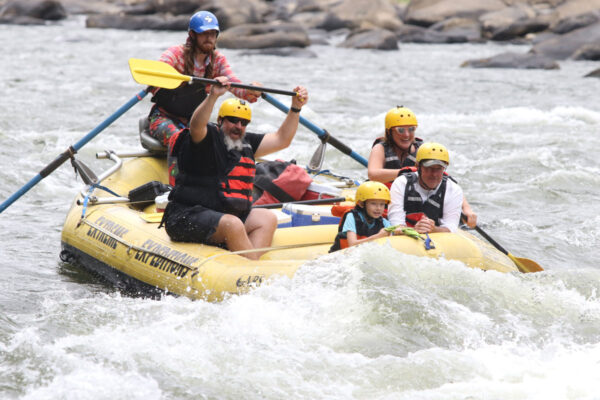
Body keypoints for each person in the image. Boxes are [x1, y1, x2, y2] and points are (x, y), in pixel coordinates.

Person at [161, 76, 308, 260]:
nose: (238, 126)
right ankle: (252, 270)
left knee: (267, 219)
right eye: (232, 120)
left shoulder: (245, 143)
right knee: (233, 224)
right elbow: (196, 125)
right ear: (221, 120)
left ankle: (245, 266)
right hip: (187, 216)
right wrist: (213, 97)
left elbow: (282, 139)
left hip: (222, 216)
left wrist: (296, 108)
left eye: (243, 123)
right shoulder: (206, 137)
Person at [147, 10, 261, 185]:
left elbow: (235, 85)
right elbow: (159, 69)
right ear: (192, 35)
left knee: (218, 138)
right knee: (179, 137)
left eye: (212, 34)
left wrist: (251, 91)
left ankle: (222, 184)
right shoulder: (176, 54)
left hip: (194, 121)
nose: (209, 38)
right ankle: (174, 190)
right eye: (204, 34)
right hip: (162, 117)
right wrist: (165, 77)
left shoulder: (218, 60)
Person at [367, 106, 477, 227]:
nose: (407, 135)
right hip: (387, 198)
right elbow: (373, 174)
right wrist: (407, 171)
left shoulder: (423, 150)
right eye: (400, 130)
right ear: (389, 131)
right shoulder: (380, 148)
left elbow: (447, 182)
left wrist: (466, 208)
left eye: (411, 129)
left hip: (413, 197)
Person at [387, 142, 463, 234]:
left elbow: (450, 228)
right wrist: (415, 230)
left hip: (436, 236)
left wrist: (433, 229)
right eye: (429, 168)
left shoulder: (453, 190)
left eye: (439, 168)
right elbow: (396, 225)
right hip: (407, 233)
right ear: (418, 166)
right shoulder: (401, 183)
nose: (434, 174)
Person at [329, 181, 394, 252]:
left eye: (382, 204)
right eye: (373, 203)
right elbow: (352, 245)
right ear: (361, 204)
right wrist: (377, 236)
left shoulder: (384, 222)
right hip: (341, 256)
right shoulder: (352, 217)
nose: (378, 208)